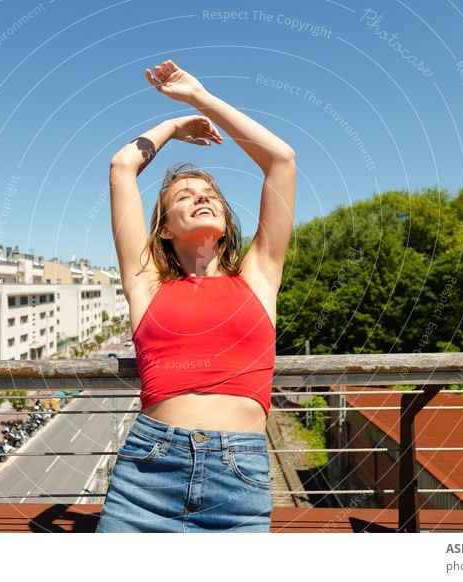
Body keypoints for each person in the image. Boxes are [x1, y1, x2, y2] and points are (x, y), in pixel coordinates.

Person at [96, 60, 296, 533]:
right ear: (164, 229)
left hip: (239, 480)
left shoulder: (259, 278)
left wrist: (199, 97)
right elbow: (122, 167)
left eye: (210, 194)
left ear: (226, 221)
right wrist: (172, 124)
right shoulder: (146, 284)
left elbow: (281, 160)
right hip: (147, 473)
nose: (201, 198)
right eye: (184, 196)